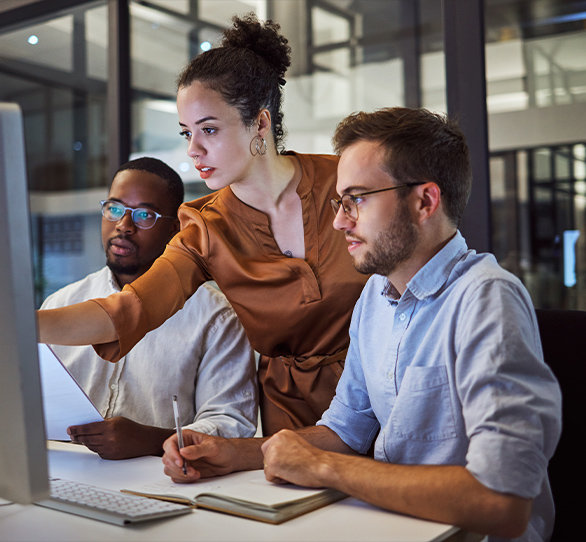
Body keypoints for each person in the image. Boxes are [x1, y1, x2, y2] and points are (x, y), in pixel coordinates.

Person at [163, 108, 562, 541]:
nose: (339, 221)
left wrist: (324, 467)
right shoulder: (375, 295)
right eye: (339, 201)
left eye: (358, 199)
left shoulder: (486, 299)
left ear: (425, 201)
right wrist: (235, 454)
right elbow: (346, 429)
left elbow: (502, 502)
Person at [37, 14, 367, 436]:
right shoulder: (204, 227)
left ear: (260, 123)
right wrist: (23, 323)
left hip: (382, 391)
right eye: (186, 133)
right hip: (291, 418)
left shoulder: (346, 183)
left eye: (208, 129)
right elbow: (128, 309)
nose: (193, 150)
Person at [41, 157, 257, 459]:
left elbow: (232, 424)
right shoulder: (62, 303)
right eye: (114, 209)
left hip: (162, 480)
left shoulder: (216, 317)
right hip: (62, 470)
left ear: (175, 228)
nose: (123, 226)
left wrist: (151, 440)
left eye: (144, 215)